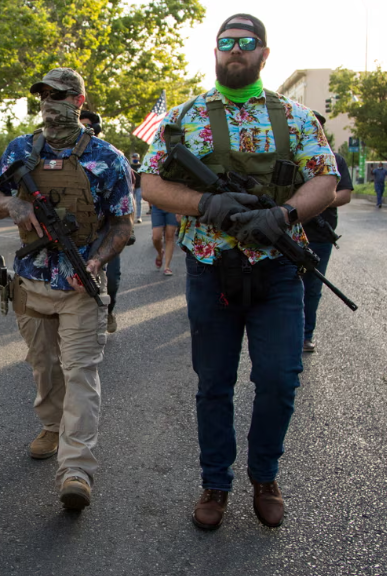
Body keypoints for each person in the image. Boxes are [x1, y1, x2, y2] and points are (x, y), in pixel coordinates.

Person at [140, 14, 339, 530]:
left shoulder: (296, 118)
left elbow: (326, 178)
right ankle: (216, 483)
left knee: (279, 378)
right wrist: (206, 203)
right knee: (214, 383)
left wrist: (283, 215)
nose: (234, 51)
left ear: (264, 55)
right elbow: (151, 183)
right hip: (210, 269)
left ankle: (265, 475)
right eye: (225, 42)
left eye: (245, 44)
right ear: (214, 51)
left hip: (276, 270)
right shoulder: (184, 118)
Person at [0, 68, 134, 510]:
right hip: (31, 282)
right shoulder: (20, 150)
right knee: (43, 365)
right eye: (44, 95)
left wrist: (95, 260)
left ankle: (76, 470)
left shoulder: (108, 159)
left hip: (79, 286)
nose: (50, 103)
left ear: (80, 101)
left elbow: (123, 225)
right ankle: (51, 425)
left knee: (81, 373)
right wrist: (13, 202)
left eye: (60, 95)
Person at [302, 113, 353, 353]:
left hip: (320, 236)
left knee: (312, 288)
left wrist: (318, 200)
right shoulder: (291, 157)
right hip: (287, 234)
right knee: (283, 286)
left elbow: (345, 194)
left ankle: (305, 336)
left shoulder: (335, 160)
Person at [79, 109, 133, 334]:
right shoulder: (64, 155)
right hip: (79, 231)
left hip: (107, 228)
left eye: (86, 126)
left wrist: (126, 227)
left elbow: (125, 196)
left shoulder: (110, 156)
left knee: (111, 278)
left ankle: (109, 311)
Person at [129, 153, 144, 223]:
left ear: (139, 158)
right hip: (132, 187)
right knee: (131, 203)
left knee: (138, 202)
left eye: (136, 158)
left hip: (139, 186)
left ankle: (139, 217)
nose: (134, 159)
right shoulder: (130, 166)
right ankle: (131, 217)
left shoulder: (141, 166)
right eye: (133, 158)